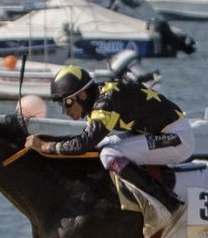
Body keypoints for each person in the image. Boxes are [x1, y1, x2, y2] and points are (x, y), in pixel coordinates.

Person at [24, 65, 194, 215]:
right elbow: (87, 141)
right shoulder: (100, 96)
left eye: (66, 103)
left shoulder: (105, 104)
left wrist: (46, 146)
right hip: (159, 133)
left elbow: (83, 144)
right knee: (104, 146)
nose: (64, 111)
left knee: (109, 155)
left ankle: (167, 202)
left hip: (177, 138)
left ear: (82, 95)